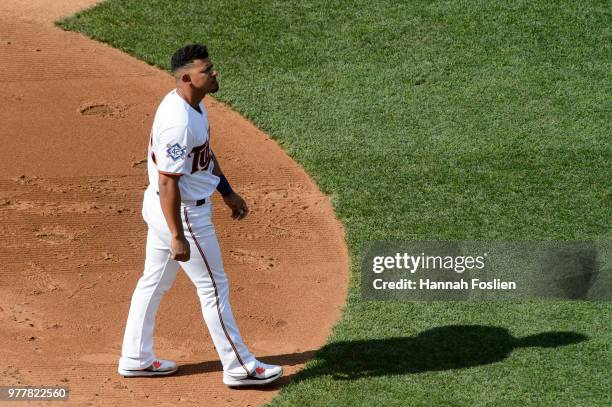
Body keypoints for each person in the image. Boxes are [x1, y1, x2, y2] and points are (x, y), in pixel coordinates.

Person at [117, 44, 283, 387]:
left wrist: (226, 191)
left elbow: (203, 155)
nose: (214, 73)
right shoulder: (178, 123)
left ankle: (135, 358)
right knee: (213, 286)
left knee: (155, 280)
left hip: (166, 209)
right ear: (186, 77)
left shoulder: (191, 104)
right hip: (181, 214)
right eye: (207, 70)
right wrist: (177, 235)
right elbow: (168, 182)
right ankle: (239, 367)